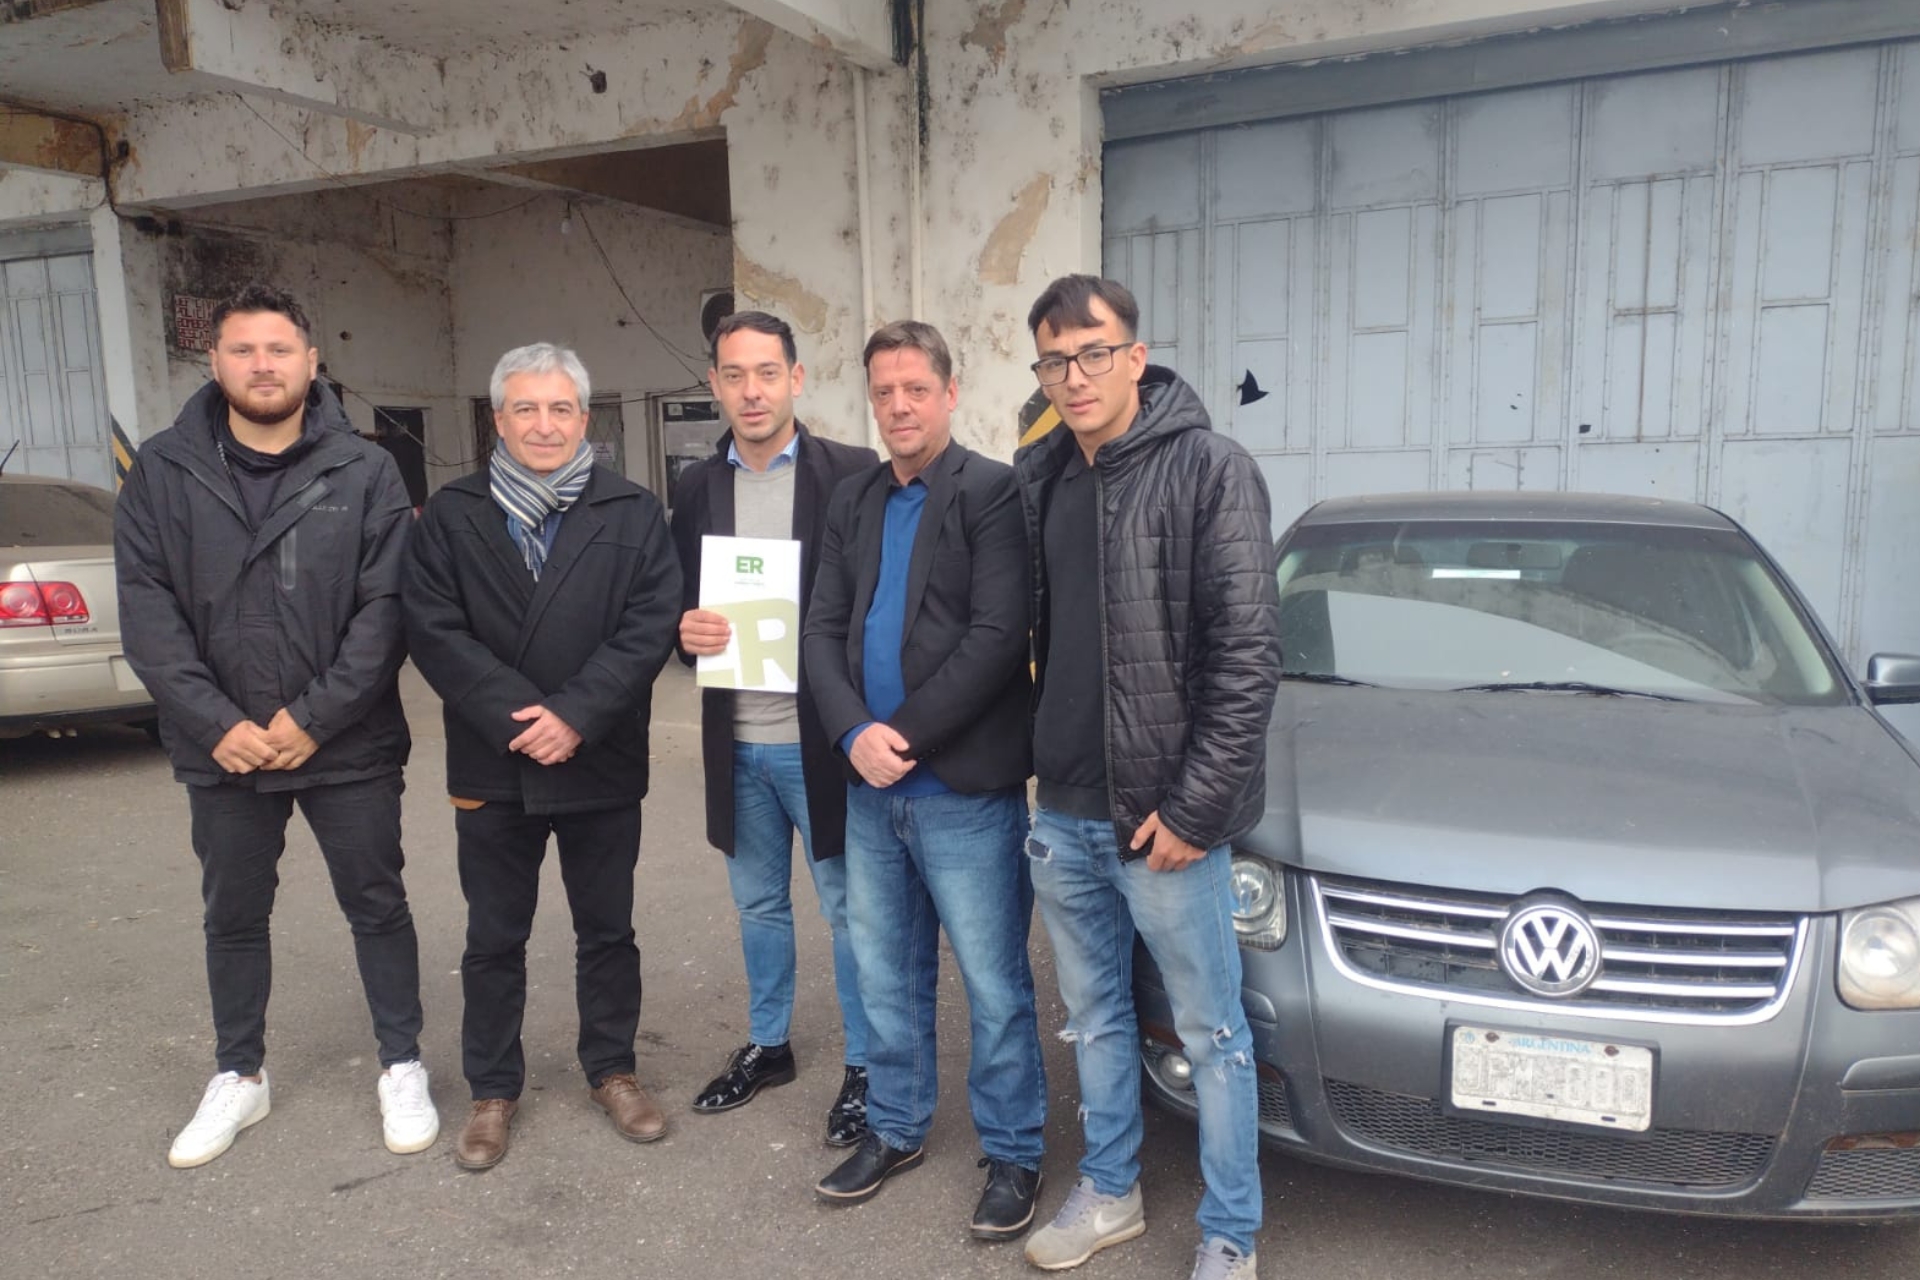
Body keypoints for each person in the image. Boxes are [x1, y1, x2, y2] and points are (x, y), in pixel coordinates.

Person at [114, 283, 436, 1169]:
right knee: (233, 914)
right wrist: (215, 722)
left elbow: (387, 609)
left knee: (377, 904)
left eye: (280, 350)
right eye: (244, 350)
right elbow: (147, 611)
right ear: (214, 361)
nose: (263, 366)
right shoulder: (163, 470)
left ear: (311, 361)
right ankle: (239, 1074)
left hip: (347, 743)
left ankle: (402, 1063)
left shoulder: (365, 470)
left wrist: (315, 717)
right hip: (223, 749)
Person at [1013, 275, 1282, 1280]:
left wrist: (1196, 812)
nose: (1074, 376)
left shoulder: (1211, 469)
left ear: (1135, 356)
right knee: (1094, 1020)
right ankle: (1111, 1189)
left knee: (1211, 1032)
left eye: (1093, 353)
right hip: (1064, 810)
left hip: (1163, 821)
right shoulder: (1043, 476)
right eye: (1054, 360)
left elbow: (1247, 658)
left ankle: (1231, 1229)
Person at [403, 342, 681, 1171]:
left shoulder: (633, 511)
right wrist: (522, 716)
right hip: (496, 758)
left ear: (585, 419)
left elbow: (649, 626)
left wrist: (576, 715)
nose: (544, 424)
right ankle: (493, 1090)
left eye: (561, 408)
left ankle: (614, 1070)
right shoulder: (452, 514)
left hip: (599, 755)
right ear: (499, 419)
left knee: (608, 930)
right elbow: (433, 629)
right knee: (493, 936)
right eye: (526, 408)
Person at [802, 320, 1046, 1240]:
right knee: (886, 977)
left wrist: (895, 736)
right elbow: (821, 628)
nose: (898, 406)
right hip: (872, 794)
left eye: (915, 389)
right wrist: (850, 733)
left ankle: (1014, 1150)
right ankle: (896, 1127)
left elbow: (997, 636)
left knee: (993, 984)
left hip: (963, 797)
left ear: (949, 393)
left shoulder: (992, 491)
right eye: (883, 392)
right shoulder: (855, 499)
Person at [670, 312, 878, 1144]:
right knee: (758, 904)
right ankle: (769, 1044)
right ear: (715, 385)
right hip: (736, 738)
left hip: (820, 740)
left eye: (766, 373)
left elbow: (876, 600)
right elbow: (676, 607)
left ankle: (867, 1063)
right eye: (734, 375)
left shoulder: (852, 474)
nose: (750, 391)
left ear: (796, 378)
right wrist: (684, 634)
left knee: (848, 908)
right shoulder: (695, 487)